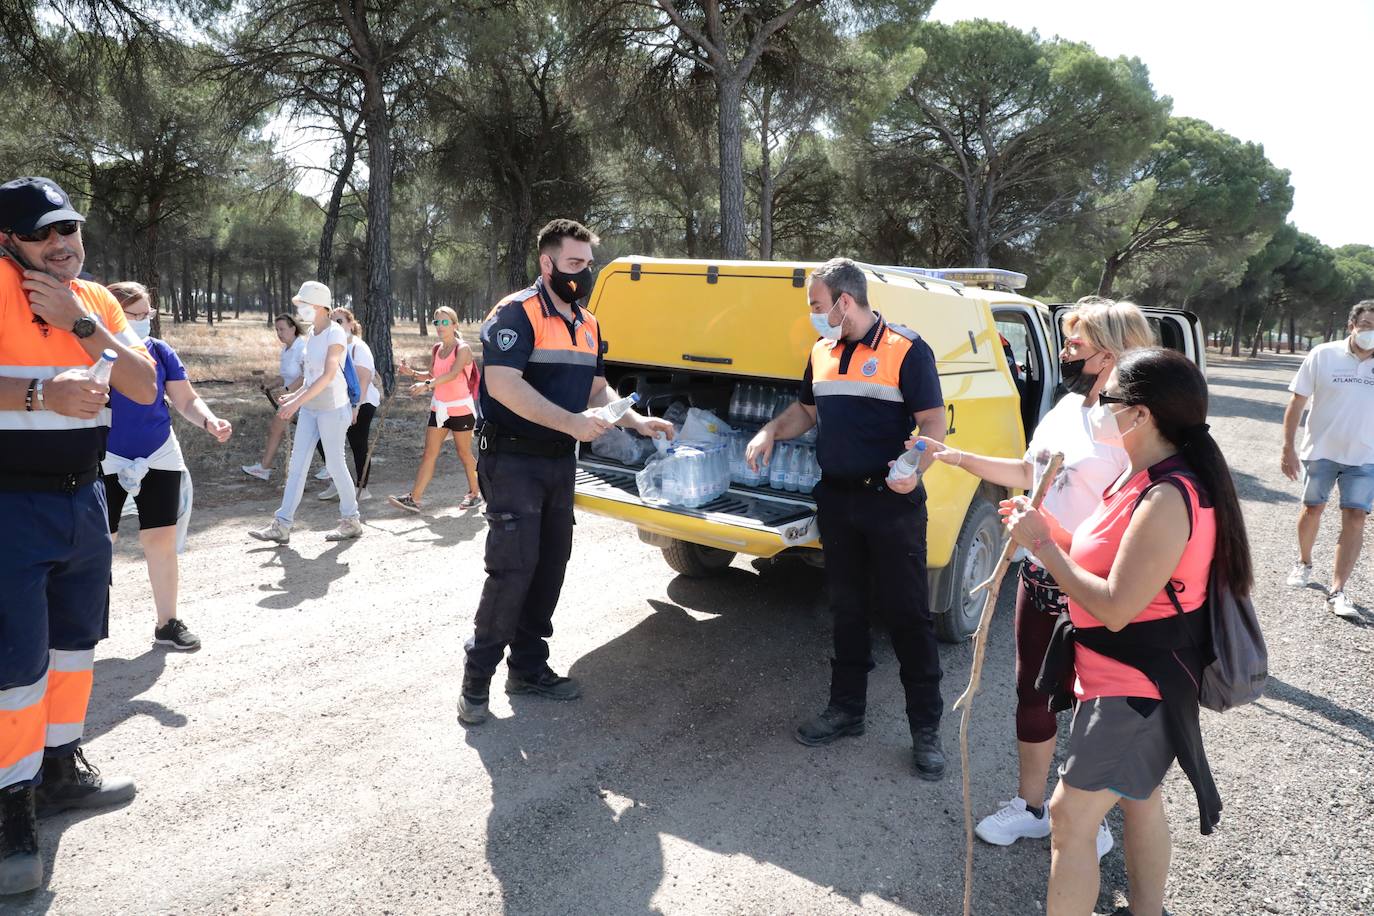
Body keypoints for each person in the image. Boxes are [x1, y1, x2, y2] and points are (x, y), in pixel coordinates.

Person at [1003, 347, 1250, 916]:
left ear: (1140, 415)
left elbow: (1116, 604)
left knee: (1068, 816)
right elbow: (1107, 564)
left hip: (1138, 686)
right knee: (1139, 798)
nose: (1096, 402)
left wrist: (1042, 545)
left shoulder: (1167, 496)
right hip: (1115, 678)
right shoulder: (1137, 478)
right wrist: (1051, 533)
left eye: (1107, 396)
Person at [918, 297, 1154, 852]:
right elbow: (1031, 470)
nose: (1065, 353)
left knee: (1098, 703)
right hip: (1039, 576)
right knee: (1033, 693)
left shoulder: (1133, 424)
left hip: (1096, 584)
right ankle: (1030, 806)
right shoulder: (1065, 406)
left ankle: (1086, 812)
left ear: (1111, 353)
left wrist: (1062, 539)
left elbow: (1145, 510)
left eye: (1075, 345)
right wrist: (955, 458)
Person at [0, 176, 157, 895]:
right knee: (14, 669)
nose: (61, 244)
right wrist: (39, 394)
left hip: (81, 503)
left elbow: (145, 385)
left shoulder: (92, 298)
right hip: (8, 505)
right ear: (8, 239)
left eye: (68, 228)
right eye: (41, 233)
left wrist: (81, 321)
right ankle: (10, 812)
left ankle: (60, 769)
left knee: (72, 646)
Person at [458, 219, 673, 725]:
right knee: (512, 569)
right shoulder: (516, 313)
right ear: (546, 263)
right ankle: (476, 680)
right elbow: (505, 385)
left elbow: (599, 389)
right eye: (574, 264)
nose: (584, 273)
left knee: (551, 564)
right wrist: (573, 424)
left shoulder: (588, 322)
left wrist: (635, 420)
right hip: (512, 460)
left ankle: (529, 668)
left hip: (558, 462)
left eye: (588, 264)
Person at [744, 257, 949, 779]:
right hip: (836, 501)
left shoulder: (907, 348)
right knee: (847, 609)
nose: (814, 315)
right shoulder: (821, 350)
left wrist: (915, 467)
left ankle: (926, 729)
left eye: (817, 305)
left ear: (844, 302)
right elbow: (806, 411)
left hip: (890, 502)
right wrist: (770, 431)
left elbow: (932, 422)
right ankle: (846, 711)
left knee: (907, 615)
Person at [102, 281, 233, 652]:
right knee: (101, 542)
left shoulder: (160, 351)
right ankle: (84, 627)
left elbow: (186, 400)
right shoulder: (92, 351)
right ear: (113, 314)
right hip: (107, 457)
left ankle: (167, 623)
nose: (145, 322)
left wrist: (210, 421)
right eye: (137, 315)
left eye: (149, 314)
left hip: (160, 452)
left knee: (159, 539)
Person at [248, 281, 362, 545]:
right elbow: (311, 379)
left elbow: (329, 374)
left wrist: (296, 403)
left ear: (320, 306)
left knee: (335, 464)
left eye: (303, 304)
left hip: (333, 410)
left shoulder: (335, 334)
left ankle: (351, 520)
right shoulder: (311, 333)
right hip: (312, 409)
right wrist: (296, 397)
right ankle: (282, 524)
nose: (299, 309)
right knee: (297, 466)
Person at [1281, 300, 1374, 620]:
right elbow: (1297, 400)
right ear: (1352, 325)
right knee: (1312, 509)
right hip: (1320, 450)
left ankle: (1337, 589)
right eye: (1365, 325)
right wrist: (1287, 447)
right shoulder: (1323, 354)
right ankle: (1304, 562)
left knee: (1356, 517)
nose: (1370, 332)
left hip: (1365, 457)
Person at [389, 306, 481, 513]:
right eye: (437, 322)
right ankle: (415, 498)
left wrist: (427, 385)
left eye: (445, 322)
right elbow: (432, 373)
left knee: (464, 453)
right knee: (429, 453)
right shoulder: (437, 348)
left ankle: (475, 493)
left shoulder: (463, 348)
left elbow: (453, 374)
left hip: (460, 409)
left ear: (455, 324)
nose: (440, 326)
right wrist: (411, 372)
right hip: (440, 408)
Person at [319, 307, 377, 503]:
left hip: (362, 402)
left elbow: (364, 380)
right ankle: (339, 482)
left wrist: (356, 407)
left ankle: (362, 488)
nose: (336, 325)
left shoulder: (358, 347)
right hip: (337, 402)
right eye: (332, 322)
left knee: (358, 444)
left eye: (340, 321)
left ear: (351, 324)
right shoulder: (333, 348)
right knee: (324, 441)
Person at [241, 313, 309, 481]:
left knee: (277, 430)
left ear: (293, 328)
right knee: (277, 431)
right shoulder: (285, 350)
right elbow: (284, 376)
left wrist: (288, 390)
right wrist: (270, 386)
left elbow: (306, 376)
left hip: (302, 398)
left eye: (282, 329)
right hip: (290, 398)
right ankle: (265, 467)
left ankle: (265, 468)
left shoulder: (302, 348)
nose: (279, 333)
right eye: (277, 330)